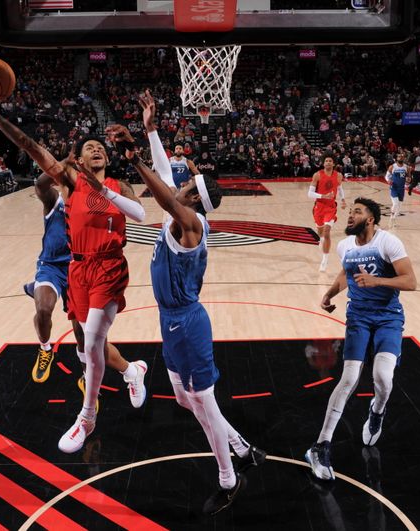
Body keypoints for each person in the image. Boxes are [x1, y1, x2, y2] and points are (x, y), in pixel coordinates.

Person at [0, 76, 147, 454]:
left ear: (107, 157)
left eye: (101, 146)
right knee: (87, 346)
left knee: (94, 340)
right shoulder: (68, 183)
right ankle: (133, 370)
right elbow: (29, 145)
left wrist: (140, 149)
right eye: (89, 147)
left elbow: (144, 212)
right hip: (75, 271)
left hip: (110, 269)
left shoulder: (120, 185)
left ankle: (86, 416)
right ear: (78, 160)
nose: (96, 149)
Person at [118, 90, 265, 515]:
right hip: (171, 321)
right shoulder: (179, 214)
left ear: (194, 198)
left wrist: (133, 162)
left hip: (188, 322)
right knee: (185, 399)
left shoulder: (192, 224)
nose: (177, 183)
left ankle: (229, 476)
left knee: (204, 400)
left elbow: (163, 192)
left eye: (184, 185)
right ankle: (241, 445)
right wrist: (150, 129)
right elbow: (164, 176)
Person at [305, 197, 417, 481]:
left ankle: (377, 411)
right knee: (349, 378)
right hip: (358, 318)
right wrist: (330, 293)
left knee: (383, 378)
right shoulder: (345, 246)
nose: (349, 215)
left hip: (388, 318)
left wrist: (378, 281)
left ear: (370, 219)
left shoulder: (387, 242)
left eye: (356, 211)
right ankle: (320, 446)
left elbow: (410, 281)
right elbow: (346, 274)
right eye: (350, 210)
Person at [23, 173, 147, 414]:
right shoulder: (55, 201)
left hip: (80, 269)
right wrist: (57, 167)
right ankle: (45, 348)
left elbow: (128, 213)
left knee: (85, 338)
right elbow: (39, 185)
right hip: (52, 267)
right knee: (43, 308)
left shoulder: (95, 202)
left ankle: (87, 378)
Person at [308, 154, 346, 272]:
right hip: (319, 207)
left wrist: (343, 200)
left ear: (333, 163)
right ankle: (321, 239)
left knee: (327, 231)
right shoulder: (317, 175)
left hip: (330, 208)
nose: (328, 162)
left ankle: (325, 259)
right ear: (323, 163)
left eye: (330, 161)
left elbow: (339, 189)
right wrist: (323, 195)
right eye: (326, 161)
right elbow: (309, 194)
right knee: (320, 232)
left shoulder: (338, 175)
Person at [384, 153, 410, 227]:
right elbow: (386, 176)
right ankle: (391, 217)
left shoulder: (406, 167)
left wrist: (408, 181)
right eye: (399, 156)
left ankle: (394, 218)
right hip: (394, 188)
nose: (400, 158)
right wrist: (388, 180)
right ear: (397, 158)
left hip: (402, 189)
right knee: (395, 204)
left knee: (399, 207)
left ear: (404, 158)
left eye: (402, 157)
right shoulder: (392, 167)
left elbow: (409, 177)